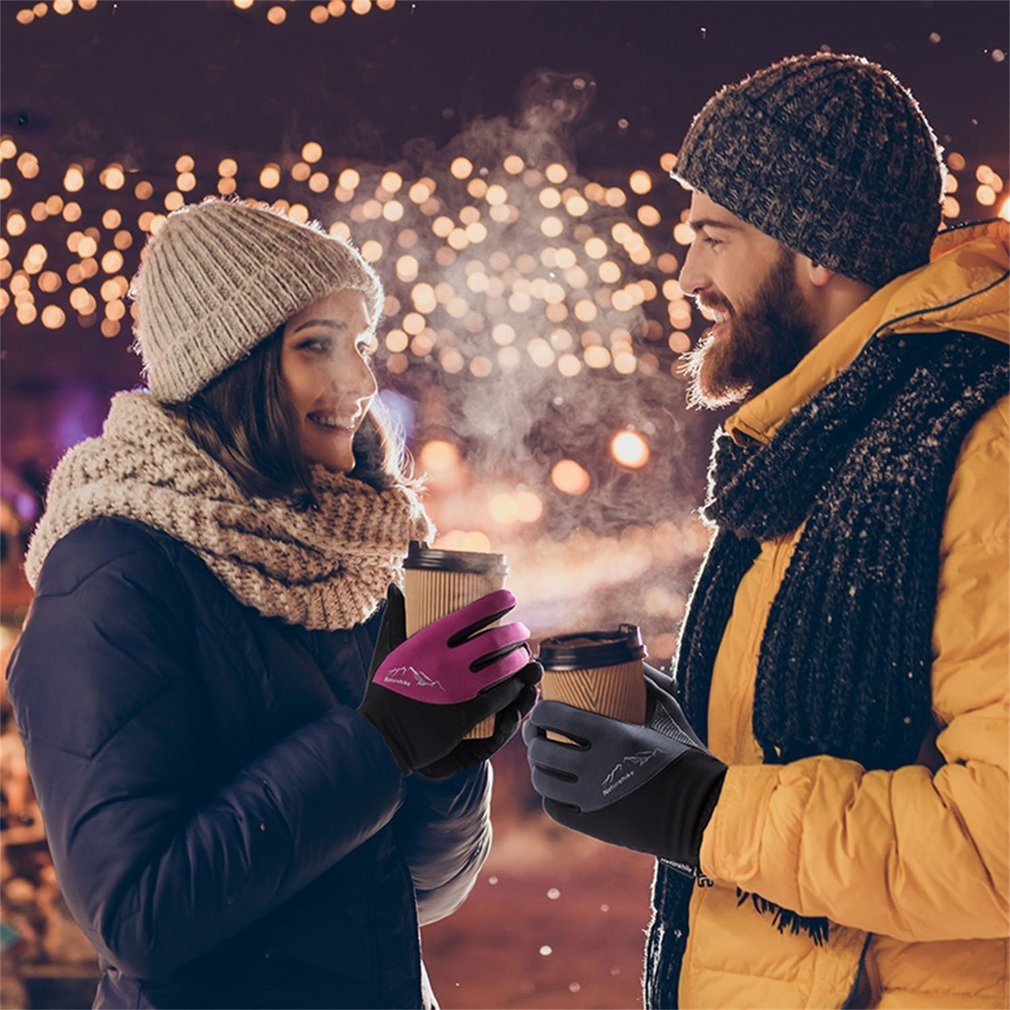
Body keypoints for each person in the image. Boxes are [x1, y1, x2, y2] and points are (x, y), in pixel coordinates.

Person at [525, 53, 1008, 1008]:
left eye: (716, 234)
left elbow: (995, 840)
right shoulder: (813, 443)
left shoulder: (978, 447)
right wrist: (673, 733)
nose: (690, 273)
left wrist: (702, 807)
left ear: (814, 244)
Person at [6, 198, 540, 1010]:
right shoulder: (114, 567)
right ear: (230, 367)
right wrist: (381, 739)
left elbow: (412, 894)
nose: (359, 381)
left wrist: (447, 756)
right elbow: (138, 915)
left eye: (357, 344)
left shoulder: (345, 557)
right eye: (314, 346)